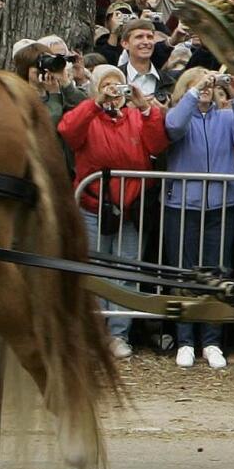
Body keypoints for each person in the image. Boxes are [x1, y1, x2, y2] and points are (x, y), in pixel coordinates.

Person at [58, 65, 171, 359]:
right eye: (106, 85)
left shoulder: (136, 116)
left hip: (131, 209)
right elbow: (68, 131)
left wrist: (144, 106)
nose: (113, 91)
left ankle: (118, 335)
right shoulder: (88, 115)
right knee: (93, 271)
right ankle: (92, 333)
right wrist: (96, 104)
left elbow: (158, 143)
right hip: (93, 206)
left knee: (127, 272)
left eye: (118, 85)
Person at [160, 67, 234, 368]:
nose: (205, 88)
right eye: (197, 83)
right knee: (183, 272)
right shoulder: (180, 113)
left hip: (221, 204)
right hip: (183, 205)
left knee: (218, 272)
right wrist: (193, 92)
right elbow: (173, 127)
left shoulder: (226, 116)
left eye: (208, 84)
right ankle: (185, 339)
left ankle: (212, 341)